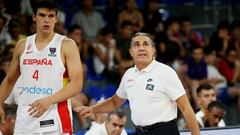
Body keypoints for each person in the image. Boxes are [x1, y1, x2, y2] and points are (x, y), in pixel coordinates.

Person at [75, 32, 200, 135]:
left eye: (146, 44)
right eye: (136, 45)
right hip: (139, 131)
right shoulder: (129, 74)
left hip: (164, 131)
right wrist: (92, 109)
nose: (141, 48)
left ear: (153, 50)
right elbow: (114, 102)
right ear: (131, 52)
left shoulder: (166, 72)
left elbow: (186, 108)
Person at [0, 0, 83, 134]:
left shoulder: (67, 45)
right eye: (42, 15)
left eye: (51, 16)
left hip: (54, 121)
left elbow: (77, 84)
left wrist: (49, 100)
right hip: (24, 121)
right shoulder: (22, 45)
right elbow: (10, 79)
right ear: (34, 17)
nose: (46, 20)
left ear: (56, 19)